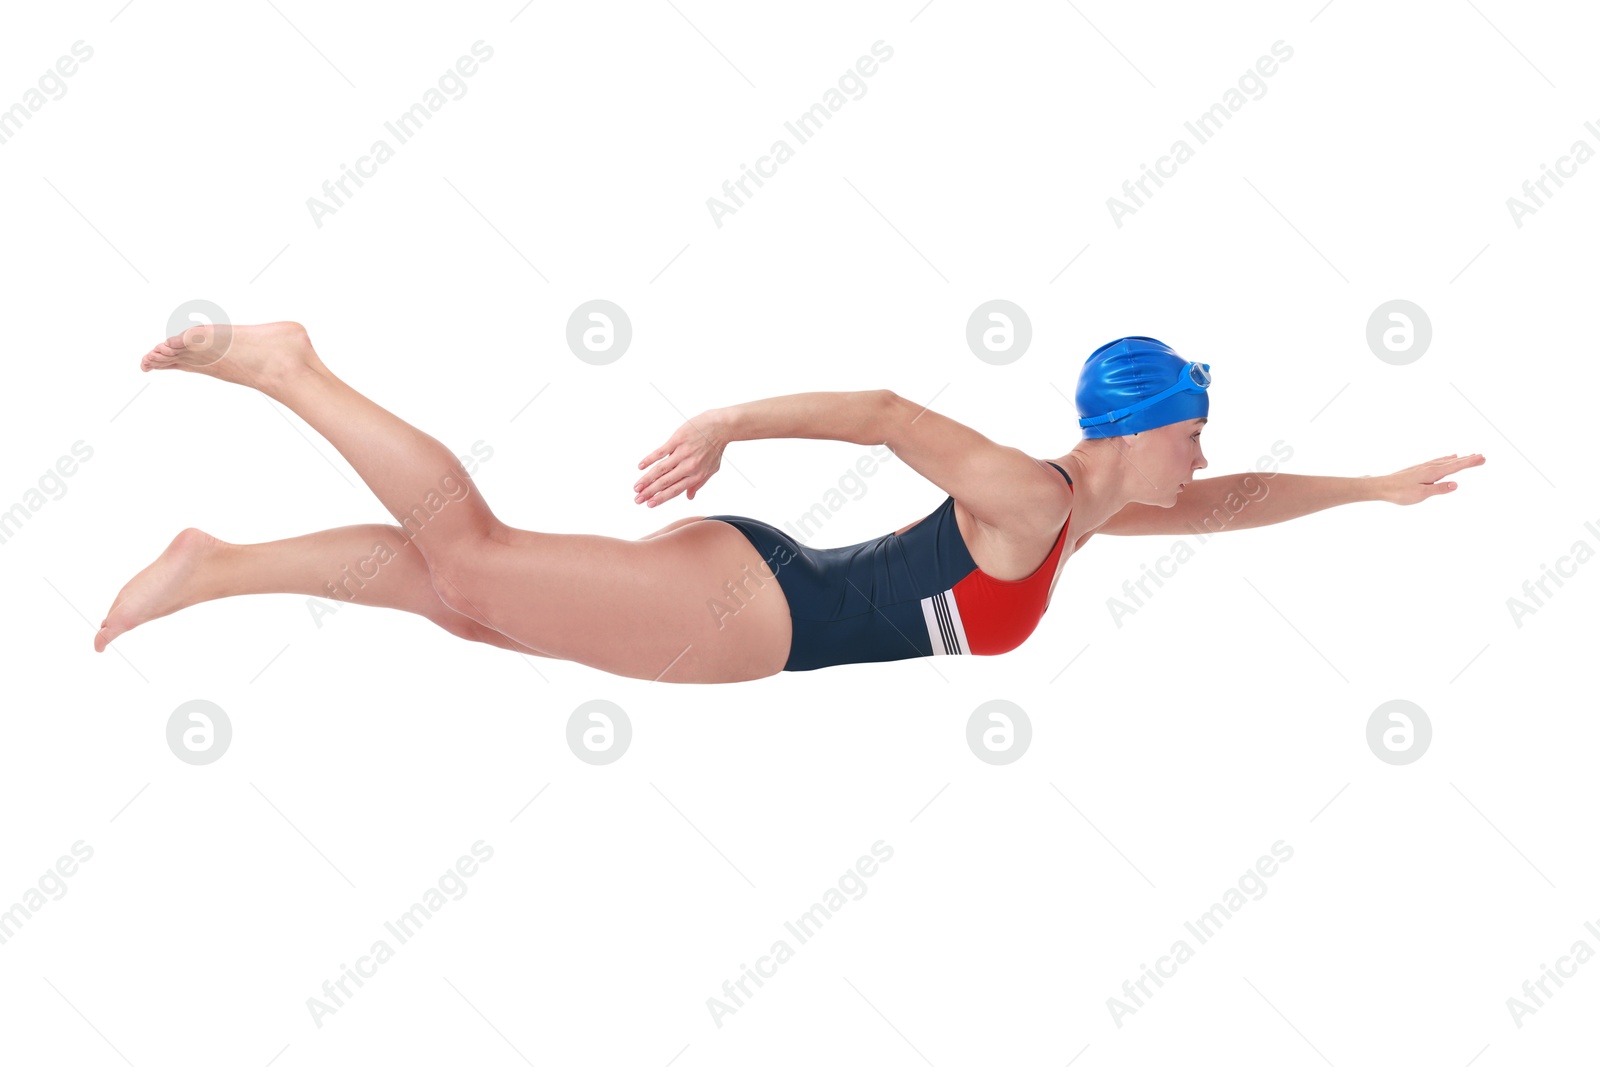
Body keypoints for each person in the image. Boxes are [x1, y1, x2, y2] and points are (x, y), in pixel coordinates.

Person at [95, 326, 1485, 682]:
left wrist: (1369, 488)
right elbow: (886, 415)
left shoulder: (1094, 514)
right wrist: (724, 424)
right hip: (744, 609)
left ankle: (218, 564)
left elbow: (1231, 505)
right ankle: (291, 370)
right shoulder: (1024, 491)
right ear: (1147, 428)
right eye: (1194, 429)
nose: (1204, 454)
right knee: (476, 559)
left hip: (755, 598)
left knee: (468, 607)